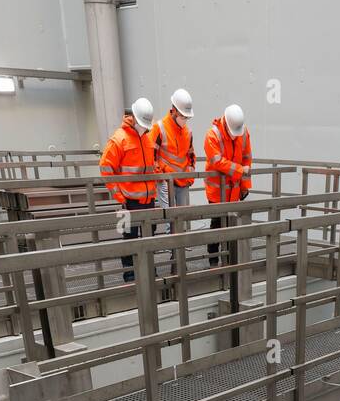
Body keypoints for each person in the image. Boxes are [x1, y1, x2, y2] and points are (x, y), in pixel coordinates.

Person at [99, 97, 157, 283]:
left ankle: (148, 270)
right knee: (128, 236)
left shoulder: (147, 137)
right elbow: (106, 168)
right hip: (127, 201)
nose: (145, 127)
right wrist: (119, 196)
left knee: (150, 235)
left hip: (148, 200)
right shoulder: (118, 139)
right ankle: (131, 274)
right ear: (133, 118)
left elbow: (149, 167)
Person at [203, 104, 252, 268]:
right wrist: (239, 170)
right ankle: (214, 260)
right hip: (217, 192)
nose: (234, 136)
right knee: (217, 225)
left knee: (232, 226)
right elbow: (217, 162)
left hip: (235, 190)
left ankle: (230, 260)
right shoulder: (213, 135)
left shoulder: (242, 131)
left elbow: (247, 158)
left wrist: (245, 185)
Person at [151, 88, 196, 233]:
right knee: (171, 218)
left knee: (181, 216)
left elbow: (191, 155)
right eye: (183, 115)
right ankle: (173, 253)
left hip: (182, 180)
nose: (184, 119)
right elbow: (151, 154)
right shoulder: (160, 127)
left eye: (186, 116)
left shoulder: (187, 132)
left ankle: (179, 250)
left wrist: (189, 174)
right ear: (174, 110)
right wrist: (160, 176)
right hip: (165, 180)